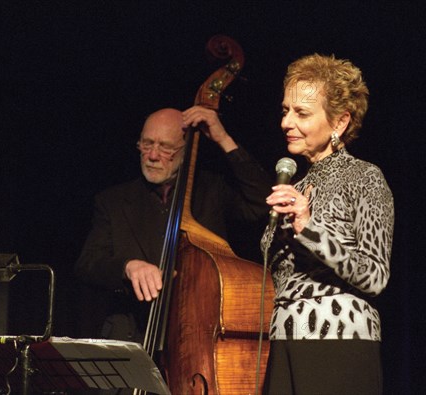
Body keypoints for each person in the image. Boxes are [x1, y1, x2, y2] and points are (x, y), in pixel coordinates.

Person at [74, 106, 272, 342]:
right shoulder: (113, 201)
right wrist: (128, 267)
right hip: (132, 334)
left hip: (199, 334)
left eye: (165, 147)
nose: (153, 156)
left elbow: (263, 202)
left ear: (187, 150)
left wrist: (223, 138)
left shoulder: (212, 190)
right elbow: (87, 264)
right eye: (147, 144)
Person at [260, 54, 394, 395]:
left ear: (339, 123)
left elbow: (375, 276)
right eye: (285, 110)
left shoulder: (365, 177)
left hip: (337, 340)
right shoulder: (297, 184)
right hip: (285, 339)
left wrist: (309, 228)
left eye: (301, 113)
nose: (286, 122)